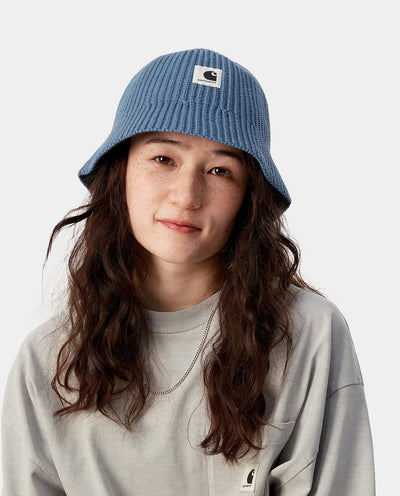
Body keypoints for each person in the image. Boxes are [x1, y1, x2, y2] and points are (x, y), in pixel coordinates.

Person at [1, 48, 375, 495]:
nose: (187, 196)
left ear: (249, 197)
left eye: (220, 170)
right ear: (120, 172)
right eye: (164, 159)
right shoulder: (48, 361)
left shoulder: (308, 334)